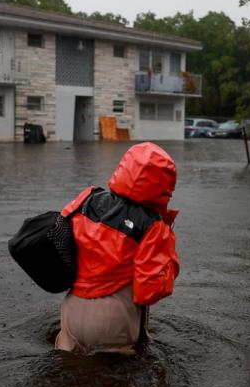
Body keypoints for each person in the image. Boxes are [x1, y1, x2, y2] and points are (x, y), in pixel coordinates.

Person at [55, 142, 180, 355]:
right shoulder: (154, 226)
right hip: (113, 319)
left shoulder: (87, 198)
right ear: (165, 185)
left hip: (71, 312)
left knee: (71, 376)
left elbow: (59, 235)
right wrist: (171, 263)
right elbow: (149, 291)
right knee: (117, 384)